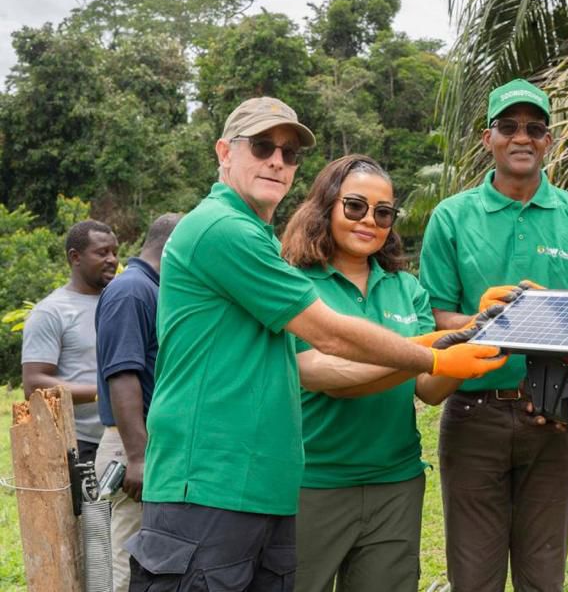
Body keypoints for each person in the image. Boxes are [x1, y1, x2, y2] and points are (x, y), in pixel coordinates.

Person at [124, 97, 506, 590]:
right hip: (210, 484)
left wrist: (478, 327)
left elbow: (426, 383)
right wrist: (435, 352)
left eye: (289, 153)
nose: (277, 161)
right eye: (262, 146)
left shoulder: (260, 238)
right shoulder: (224, 229)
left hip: (267, 487)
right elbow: (326, 337)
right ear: (224, 151)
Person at [419, 78, 568, 591]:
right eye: (508, 126)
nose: (521, 137)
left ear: (549, 141)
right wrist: (490, 319)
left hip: (553, 418)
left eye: (534, 128)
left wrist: (556, 384)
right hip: (473, 415)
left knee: (543, 576)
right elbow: (439, 319)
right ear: (489, 139)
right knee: (473, 576)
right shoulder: (452, 217)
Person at [280, 154, 479, 592]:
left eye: (384, 212)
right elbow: (321, 375)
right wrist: (427, 355)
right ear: (326, 206)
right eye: (354, 206)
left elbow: (428, 389)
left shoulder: (407, 289)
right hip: (313, 483)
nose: (369, 220)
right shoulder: (295, 283)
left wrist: (475, 346)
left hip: (395, 483)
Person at [92, 212, 181, 591]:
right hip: (131, 446)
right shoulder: (132, 290)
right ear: (176, 248)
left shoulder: (155, 289)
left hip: (150, 444)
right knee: (126, 565)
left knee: (151, 564)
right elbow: (122, 375)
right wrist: (138, 457)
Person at [22, 219, 118, 463]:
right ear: (75, 257)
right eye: (102, 252)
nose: (113, 260)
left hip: (125, 438)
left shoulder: (122, 301)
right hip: (80, 443)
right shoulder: (51, 311)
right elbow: (34, 384)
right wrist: (105, 393)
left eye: (115, 252)